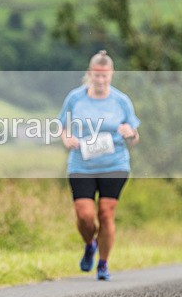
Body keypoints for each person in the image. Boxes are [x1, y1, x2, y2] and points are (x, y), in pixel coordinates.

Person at [57, 50, 140, 281]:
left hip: (114, 163)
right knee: (85, 216)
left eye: (105, 76)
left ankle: (103, 264)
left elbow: (135, 137)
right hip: (82, 164)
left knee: (105, 213)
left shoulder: (121, 101)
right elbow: (62, 125)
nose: (101, 81)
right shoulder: (75, 98)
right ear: (89, 74)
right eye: (96, 76)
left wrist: (130, 132)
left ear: (111, 75)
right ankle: (89, 244)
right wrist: (67, 139)